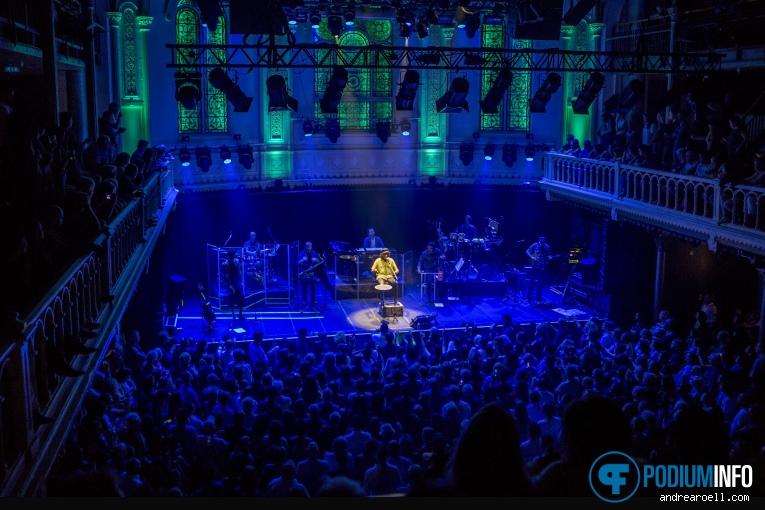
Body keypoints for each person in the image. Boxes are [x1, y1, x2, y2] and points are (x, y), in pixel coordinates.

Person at [525, 236, 552, 304]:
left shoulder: (547, 246)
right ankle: (529, 297)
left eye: (543, 243)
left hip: (543, 266)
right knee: (532, 282)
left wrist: (550, 257)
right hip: (535, 266)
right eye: (541, 243)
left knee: (540, 283)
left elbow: (548, 255)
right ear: (539, 241)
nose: (542, 244)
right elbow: (527, 251)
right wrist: (532, 257)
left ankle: (538, 297)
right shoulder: (534, 245)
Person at [297, 241, 322, 309]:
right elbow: (297, 263)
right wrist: (302, 260)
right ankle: (304, 301)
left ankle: (313, 301)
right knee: (304, 288)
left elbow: (319, 262)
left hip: (312, 273)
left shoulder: (314, 253)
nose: (309, 248)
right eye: (308, 246)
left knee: (313, 287)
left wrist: (317, 260)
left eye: (310, 246)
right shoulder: (301, 254)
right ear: (305, 247)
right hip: (304, 273)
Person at [222, 249, 245, 320]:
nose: (234, 255)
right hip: (231, 282)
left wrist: (241, 281)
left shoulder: (237, 261)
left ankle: (240, 315)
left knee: (241, 297)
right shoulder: (226, 264)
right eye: (233, 254)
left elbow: (239, 271)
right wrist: (230, 286)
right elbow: (225, 276)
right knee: (231, 299)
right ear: (230, 255)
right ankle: (233, 316)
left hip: (237, 281)